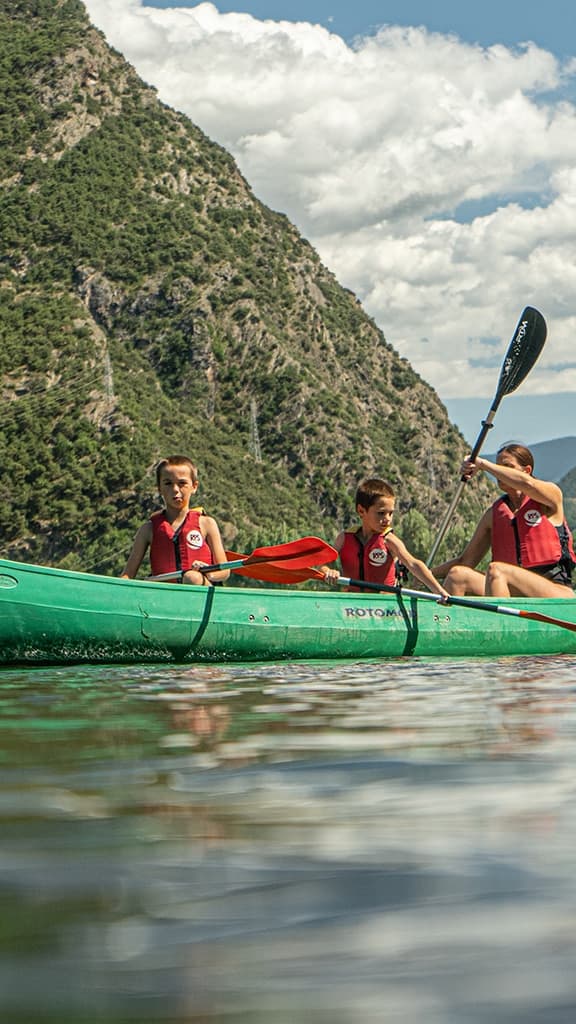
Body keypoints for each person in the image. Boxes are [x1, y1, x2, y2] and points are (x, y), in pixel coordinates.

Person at [433, 443, 576, 599]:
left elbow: (528, 484)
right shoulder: (493, 515)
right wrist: (422, 573)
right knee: (457, 576)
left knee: (497, 571)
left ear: (526, 471)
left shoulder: (550, 497)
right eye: (499, 467)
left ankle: (500, 623)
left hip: (554, 590)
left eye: (507, 466)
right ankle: (450, 622)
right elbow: (465, 560)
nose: (500, 473)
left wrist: (483, 465)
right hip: (511, 589)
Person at [322, 477, 450, 599]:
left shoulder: (389, 540)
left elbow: (413, 564)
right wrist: (328, 571)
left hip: (384, 606)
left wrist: (439, 591)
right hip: (353, 604)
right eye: (381, 513)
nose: (387, 519)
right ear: (361, 511)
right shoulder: (344, 538)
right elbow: (323, 563)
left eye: (391, 513)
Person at [121, 455, 230, 586]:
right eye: (168, 483)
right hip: (165, 594)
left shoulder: (207, 524)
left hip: (202, 588)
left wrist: (208, 573)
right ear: (159, 488)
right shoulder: (147, 530)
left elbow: (225, 571)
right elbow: (128, 575)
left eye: (182, 483)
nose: (175, 490)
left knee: (192, 578)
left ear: (194, 486)